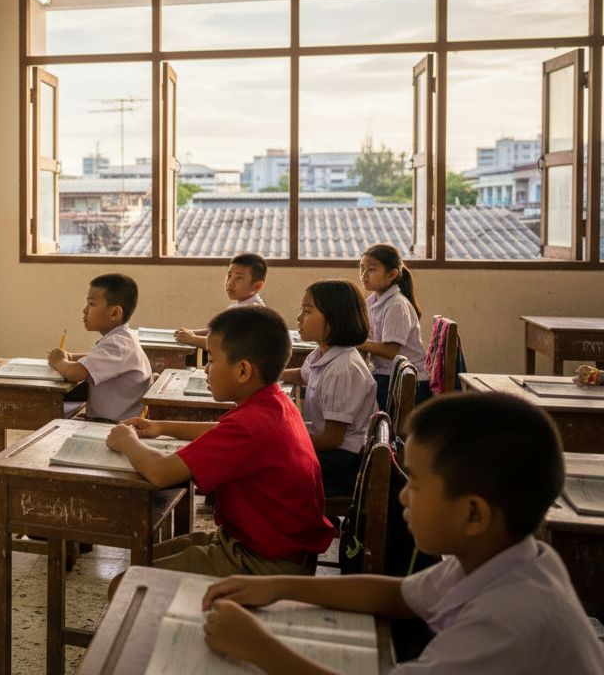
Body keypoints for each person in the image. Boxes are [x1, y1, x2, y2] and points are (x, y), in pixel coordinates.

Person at [199, 392, 604, 675]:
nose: (404, 498)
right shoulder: (502, 558)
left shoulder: (511, 624)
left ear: (474, 513)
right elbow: (396, 595)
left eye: (415, 485)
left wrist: (257, 646)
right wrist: (278, 587)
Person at [107, 306, 334, 577]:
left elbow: (159, 472)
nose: (205, 369)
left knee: (125, 583)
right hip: (264, 545)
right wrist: (161, 427)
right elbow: (221, 430)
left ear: (243, 371)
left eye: (212, 360)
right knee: (142, 561)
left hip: (264, 562)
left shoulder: (250, 425)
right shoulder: (276, 402)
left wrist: (126, 440)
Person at [280, 279, 378, 498]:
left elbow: (332, 439)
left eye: (307, 311)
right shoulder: (324, 353)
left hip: (342, 464)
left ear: (334, 320)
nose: (298, 318)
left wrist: (285, 440)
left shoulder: (343, 369)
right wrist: (269, 377)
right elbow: (303, 375)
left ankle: (290, 524)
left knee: (266, 465)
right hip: (332, 453)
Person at [46, 273, 152, 422]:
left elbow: (75, 373)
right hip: (114, 420)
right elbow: (98, 358)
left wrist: (59, 361)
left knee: (51, 423)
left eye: (91, 304)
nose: (84, 310)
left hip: (112, 425)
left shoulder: (117, 345)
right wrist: (72, 357)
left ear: (114, 312)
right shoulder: (124, 337)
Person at [357, 243, 431, 407]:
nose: (363, 275)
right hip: (387, 375)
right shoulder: (374, 301)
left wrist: (355, 342)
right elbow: (369, 335)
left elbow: (389, 351)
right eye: (361, 268)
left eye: (371, 269)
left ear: (391, 275)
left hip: (407, 382)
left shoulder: (396, 305)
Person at [175, 252, 268, 350]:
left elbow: (227, 343)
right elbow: (218, 331)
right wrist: (193, 333)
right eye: (229, 275)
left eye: (239, 278)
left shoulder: (253, 311)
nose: (230, 282)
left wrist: (193, 339)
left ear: (257, 286)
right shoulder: (237, 306)